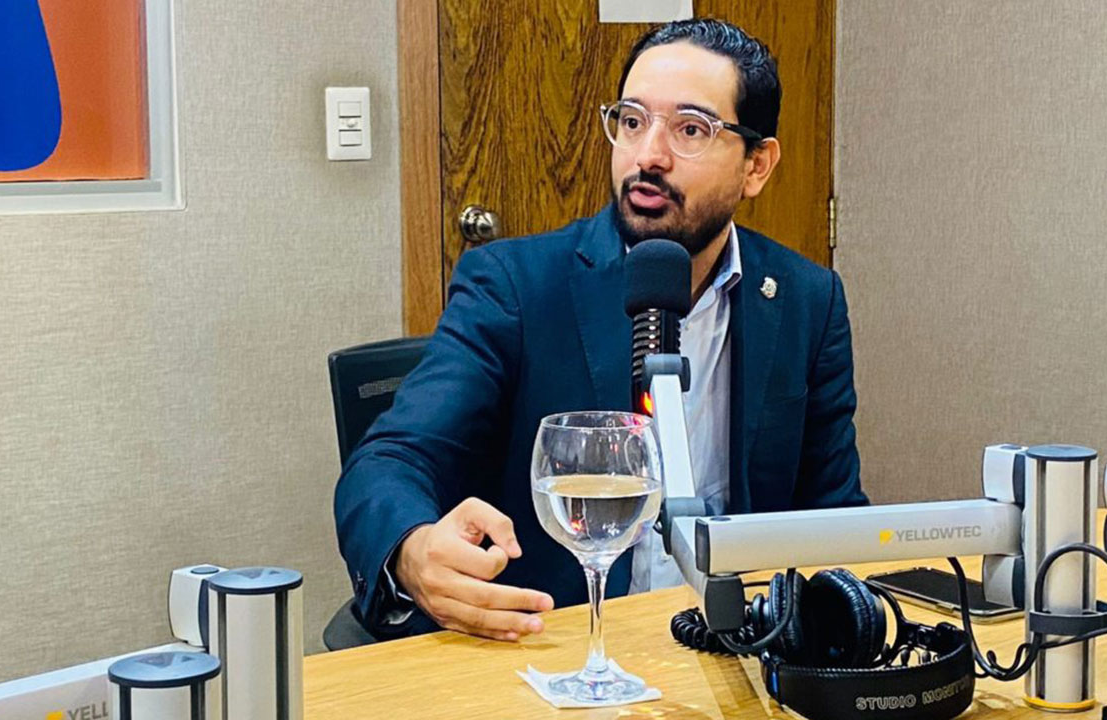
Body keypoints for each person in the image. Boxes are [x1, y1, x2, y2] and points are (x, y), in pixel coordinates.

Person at [333, 18, 868, 643]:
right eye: (632, 121)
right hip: (552, 648)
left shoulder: (806, 299)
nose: (648, 156)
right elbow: (391, 459)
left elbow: (834, 514)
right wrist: (412, 549)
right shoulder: (515, 285)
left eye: (690, 129)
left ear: (757, 165)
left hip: (731, 651)